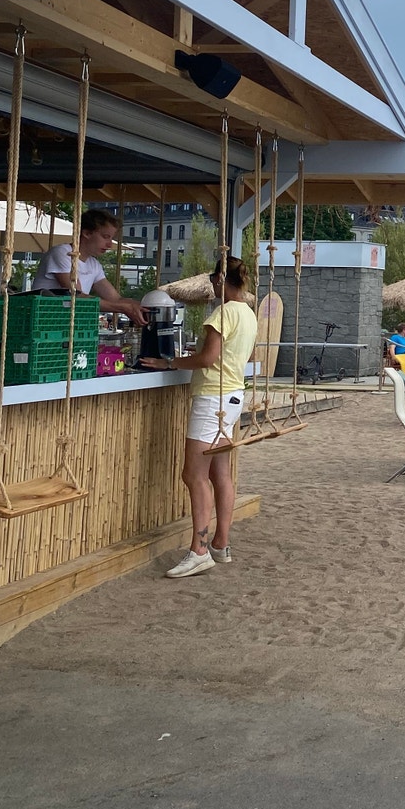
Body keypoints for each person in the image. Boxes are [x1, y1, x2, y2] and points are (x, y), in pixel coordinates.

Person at [139, 257, 255, 578]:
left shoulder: (222, 313)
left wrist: (170, 363)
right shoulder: (248, 313)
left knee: (193, 475)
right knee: (220, 473)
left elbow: (207, 358)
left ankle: (200, 550)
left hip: (212, 399)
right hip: (232, 395)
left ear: (220, 279)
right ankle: (220, 543)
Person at [31, 208, 144, 324]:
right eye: (105, 237)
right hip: (44, 320)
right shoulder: (63, 253)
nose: (109, 244)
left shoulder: (94, 264)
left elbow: (116, 299)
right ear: (87, 233)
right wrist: (123, 308)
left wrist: (143, 306)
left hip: (63, 322)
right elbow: (77, 296)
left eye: (111, 238)